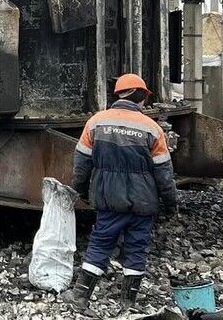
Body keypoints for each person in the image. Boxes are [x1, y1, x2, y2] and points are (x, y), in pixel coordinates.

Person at [61, 73, 177, 307]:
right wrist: (171, 203)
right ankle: (128, 302)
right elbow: (164, 174)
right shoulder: (152, 129)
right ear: (140, 96)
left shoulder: (96, 122)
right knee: (137, 247)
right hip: (144, 202)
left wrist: (79, 191)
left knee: (100, 242)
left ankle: (80, 297)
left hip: (108, 198)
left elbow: (81, 165)